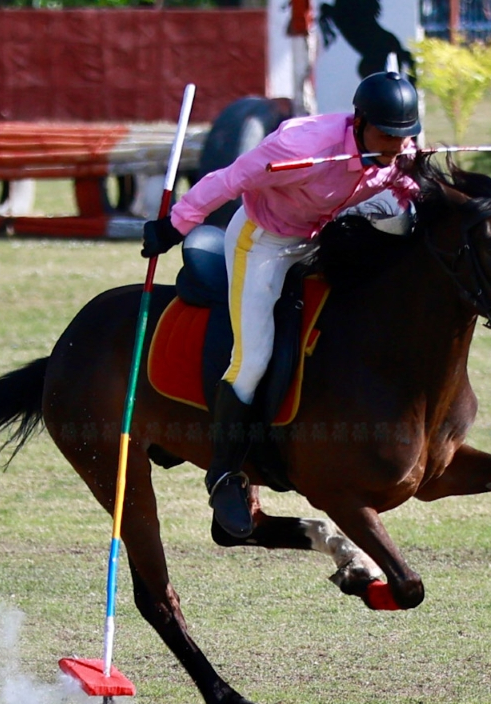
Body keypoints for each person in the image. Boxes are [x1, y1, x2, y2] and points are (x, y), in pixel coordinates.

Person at [141, 71, 422, 539]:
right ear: (359, 122)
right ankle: (225, 474)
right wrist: (175, 225)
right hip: (265, 243)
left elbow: (406, 190)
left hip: (322, 236)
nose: (397, 146)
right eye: (387, 136)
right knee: (252, 360)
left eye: (404, 136)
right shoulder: (299, 147)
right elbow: (227, 180)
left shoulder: (400, 150)